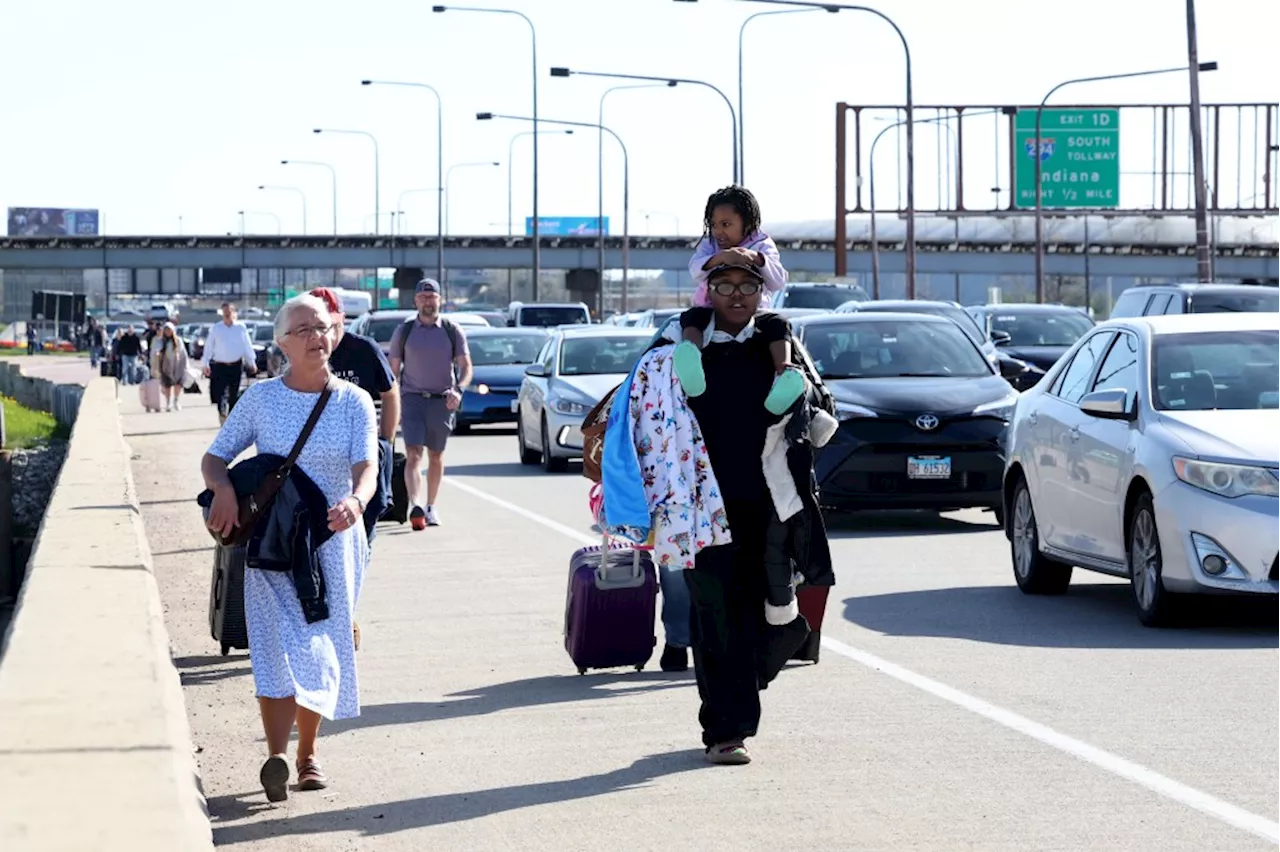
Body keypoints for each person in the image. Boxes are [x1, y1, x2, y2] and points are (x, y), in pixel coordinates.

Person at [201, 293, 377, 801]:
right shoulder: (260, 399)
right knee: (275, 647)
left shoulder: (353, 401)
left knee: (319, 646)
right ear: (281, 344)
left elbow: (367, 467)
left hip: (331, 543)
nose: (315, 336)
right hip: (274, 547)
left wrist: (357, 502)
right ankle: (278, 754)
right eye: (303, 329)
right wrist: (226, 490)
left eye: (322, 327)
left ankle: (308, 755)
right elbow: (215, 460)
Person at [679, 260, 831, 766]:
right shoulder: (685, 348)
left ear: (761, 292)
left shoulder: (776, 348)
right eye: (725, 286)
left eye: (748, 286)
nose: (737, 295)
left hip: (762, 507)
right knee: (711, 614)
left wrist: (794, 394)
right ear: (710, 292)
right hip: (701, 508)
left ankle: (735, 713)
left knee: (749, 615)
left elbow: (821, 413)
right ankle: (725, 730)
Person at [309, 287, 399, 542]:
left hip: (361, 453)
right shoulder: (305, 354)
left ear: (342, 318)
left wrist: (386, 441)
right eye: (316, 324)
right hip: (319, 456)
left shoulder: (363, 350)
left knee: (364, 523)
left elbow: (391, 393)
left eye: (330, 323)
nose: (324, 332)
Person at [387, 279, 472, 531]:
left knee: (436, 455)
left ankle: (431, 505)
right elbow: (393, 370)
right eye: (423, 297)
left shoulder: (451, 329)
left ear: (439, 299)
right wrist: (392, 399)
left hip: (442, 400)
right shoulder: (404, 331)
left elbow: (466, 366)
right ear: (415, 300)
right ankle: (416, 504)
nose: (427, 301)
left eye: (432, 296)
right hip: (412, 399)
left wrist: (459, 390)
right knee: (413, 454)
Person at [203, 302, 257, 424]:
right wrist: (205, 363)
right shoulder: (217, 328)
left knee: (234, 393)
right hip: (220, 365)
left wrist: (252, 362)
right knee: (220, 393)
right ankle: (222, 413)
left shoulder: (240, 328)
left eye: (229, 312)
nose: (227, 315)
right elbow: (209, 347)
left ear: (233, 313)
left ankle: (231, 419)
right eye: (225, 312)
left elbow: (247, 346)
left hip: (236, 365)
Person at [150, 322, 190, 411]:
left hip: (178, 364)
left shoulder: (178, 340)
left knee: (178, 383)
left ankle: (176, 400)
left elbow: (183, 353)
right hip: (166, 365)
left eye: (169, 330)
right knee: (167, 384)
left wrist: (186, 364)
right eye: (166, 330)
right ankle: (168, 402)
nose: (168, 332)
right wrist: (157, 354)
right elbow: (156, 350)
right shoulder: (161, 341)